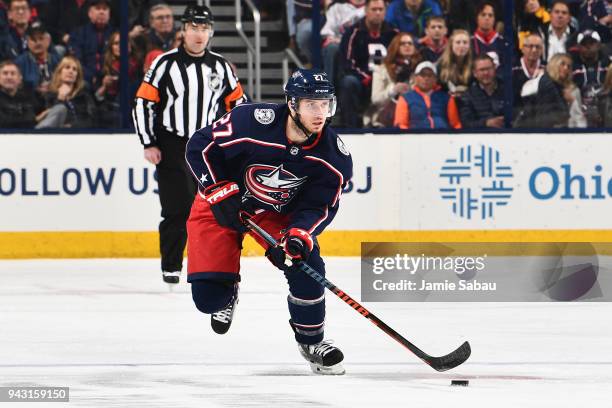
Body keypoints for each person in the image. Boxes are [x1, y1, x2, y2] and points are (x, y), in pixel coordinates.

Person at [184, 68, 352, 375]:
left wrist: (298, 234)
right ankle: (226, 292)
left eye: (324, 104)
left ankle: (312, 342)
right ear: (292, 104)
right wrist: (218, 189)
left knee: (306, 264)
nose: (320, 112)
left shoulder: (333, 156)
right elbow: (200, 145)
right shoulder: (251, 120)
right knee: (208, 300)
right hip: (221, 202)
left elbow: (320, 205)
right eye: (311, 104)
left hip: (274, 214)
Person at [132, 5, 247, 285]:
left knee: (212, 210)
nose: (199, 34)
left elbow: (239, 106)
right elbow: (143, 103)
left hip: (206, 145)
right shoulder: (164, 63)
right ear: (183, 30)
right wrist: (149, 142)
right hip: (171, 144)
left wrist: (235, 143)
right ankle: (171, 267)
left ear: (211, 33)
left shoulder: (220, 66)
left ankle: (208, 267)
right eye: (193, 28)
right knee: (177, 209)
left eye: (204, 28)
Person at [337, 0, 397, 127]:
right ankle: (350, 127)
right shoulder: (353, 33)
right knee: (348, 82)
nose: (377, 13)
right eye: (374, 9)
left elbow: (399, 58)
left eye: (381, 10)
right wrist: (366, 77)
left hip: (386, 80)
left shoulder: (393, 33)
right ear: (365, 11)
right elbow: (348, 63)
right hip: (363, 81)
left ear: (385, 12)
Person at [370, 32, 422, 127]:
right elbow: (376, 99)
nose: (407, 46)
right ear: (395, 46)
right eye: (402, 43)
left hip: (414, 116)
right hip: (385, 119)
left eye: (410, 43)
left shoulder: (420, 70)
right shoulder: (381, 70)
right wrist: (393, 90)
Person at [394, 60, 462, 129]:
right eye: (422, 75)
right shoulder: (405, 98)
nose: (426, 78)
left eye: (430, 75)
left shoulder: (447, 98)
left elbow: (455, 124)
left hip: (443, 136)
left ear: (435, 79)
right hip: (415, 137)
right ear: (415, 78)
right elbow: (401, 124)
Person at [95, 30, 140, 128]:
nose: (121, 45)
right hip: (110, 109)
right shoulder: (104, 67)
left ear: (130, 45)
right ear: (111, 47)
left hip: (135, 108)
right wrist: (104, 86)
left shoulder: (139, 65)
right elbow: (96, 97)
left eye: (124, 41)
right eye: (116, 43)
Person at [36, 55, 95, 128]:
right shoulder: (49, 95)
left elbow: (91, 119)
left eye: (74, 69)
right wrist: (60, 99)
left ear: (77, 76)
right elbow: (50, 118)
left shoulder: (84, 95)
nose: (71, 71)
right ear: (59, 73)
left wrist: (71, 126)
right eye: (67, 67)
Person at [68, 0, 115, 88]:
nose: (101, 12)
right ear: (90, 13)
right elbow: (76, 60)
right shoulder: (78, 34)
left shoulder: (115, 34)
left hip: (109, 78)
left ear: (109, 14)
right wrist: (91, 77)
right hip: (85, 78)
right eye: (98, 8)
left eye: (105, 9)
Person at [320, 0, 366, 82]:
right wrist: (341, 41)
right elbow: (327, 32)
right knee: (331, 48)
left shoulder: (373, 6)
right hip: (340, 44)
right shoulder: (337, 6)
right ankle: (328, 91)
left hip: (362, 45)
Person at [15, 20, 61, 95]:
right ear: (27, 42)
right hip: (29, 102)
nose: (38, 43)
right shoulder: (19, 63)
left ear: (48, 40)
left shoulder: (59, 61)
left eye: (41, 38)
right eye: (33, 39)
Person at [460, 54, 505, 128]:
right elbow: (466, 123)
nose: (486, 73)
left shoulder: (507, 89)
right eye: (482, 70)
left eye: (489, 69)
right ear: (475, 73)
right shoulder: (467, 96)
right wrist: (486, 123)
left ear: (494, 68)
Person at [0, 60, 42, 127]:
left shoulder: (28, 97)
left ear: (20, 78)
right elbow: (4, 122)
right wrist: (35, 119)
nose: (9, 77)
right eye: (5, 73)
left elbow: (31, 117)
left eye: (13, 73)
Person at [438, 29, 472, 97]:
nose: (461, 46)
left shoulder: (474, 65)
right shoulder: (440, 65)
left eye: (465, 42)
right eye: (458, 42)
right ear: (451, 45)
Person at [471, 1, 505, 68]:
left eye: (490, 15)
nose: (487, 18)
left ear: (494, 19)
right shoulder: (469, 43)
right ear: (477, 18)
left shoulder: (503, 42)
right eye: (483, 15)